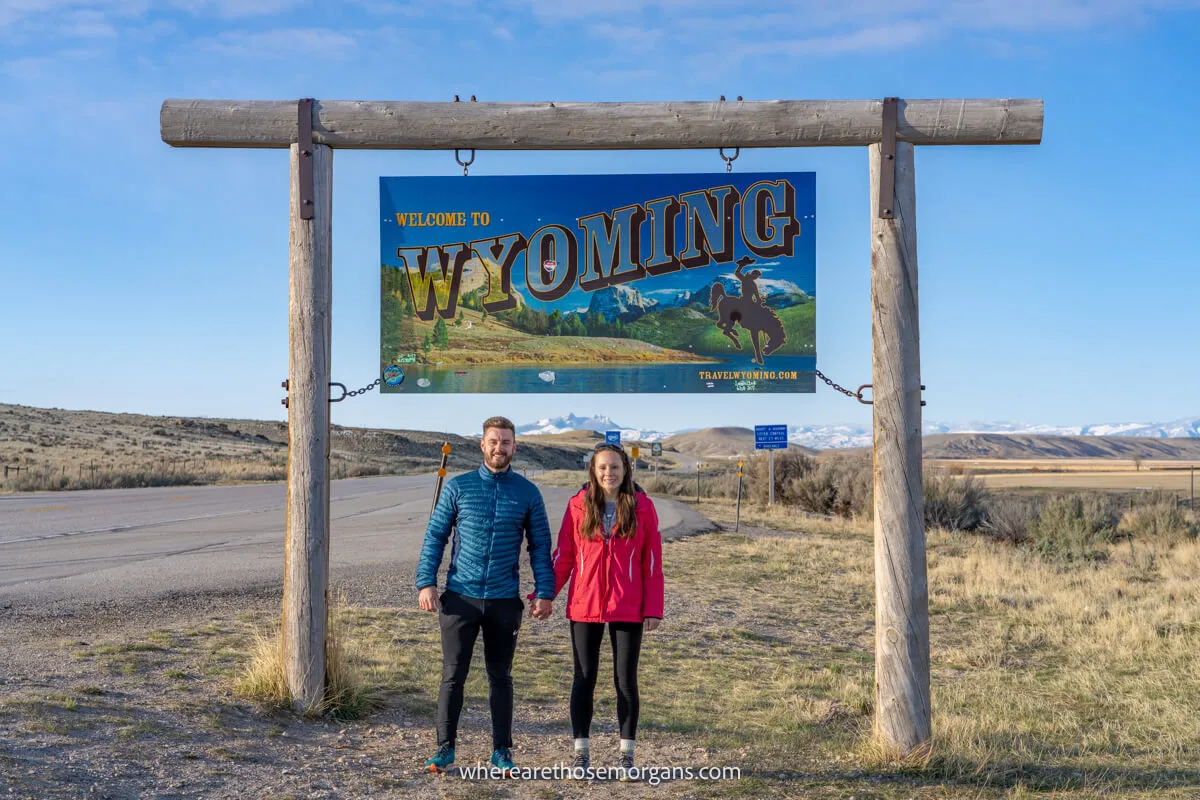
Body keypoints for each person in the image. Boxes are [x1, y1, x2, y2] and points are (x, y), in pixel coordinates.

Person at [415, 416, 555, 776]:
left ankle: (502, 751)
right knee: (452, 675)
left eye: (506, 442)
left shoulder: (528, 493)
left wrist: (545, 592)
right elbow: (435, 536)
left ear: (514, 447)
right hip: (460, 596)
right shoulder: (458, 488)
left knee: (500, 676)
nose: (499, 448)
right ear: (482, 444)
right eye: (493, 441)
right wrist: (425, 582)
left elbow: (540, 546)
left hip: (503, 601)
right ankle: (444, 749)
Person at [548, 442, 664, 780]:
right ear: (593, 470)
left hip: (629, 607)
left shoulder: (643, 506)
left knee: (625, 681)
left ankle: (626, 756)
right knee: (584, 678)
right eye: (602, 468)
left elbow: (651, 563)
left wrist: (653, 608)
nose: (608, 473)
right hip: (585, 605)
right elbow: (564, 556)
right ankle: (581, 754)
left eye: (614, 467)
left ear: (626, 469)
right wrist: (546, 594)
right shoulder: (577, 506)